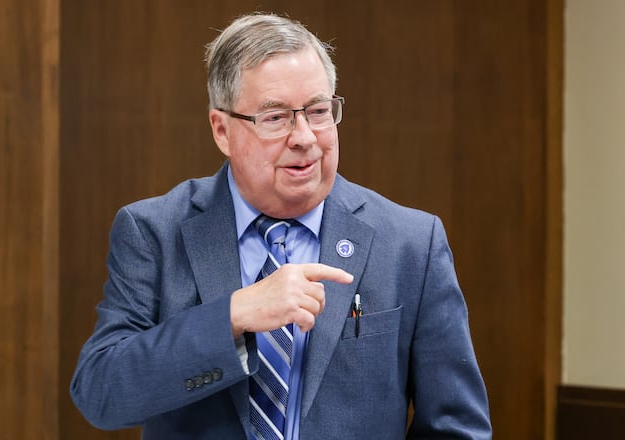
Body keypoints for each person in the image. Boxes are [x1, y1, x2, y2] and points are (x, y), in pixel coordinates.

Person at [70, 12, 492, 440]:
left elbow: (457, 428)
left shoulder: (411, 244)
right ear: (222, 130)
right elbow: (101, 392)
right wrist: (232, 316)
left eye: (318, 111)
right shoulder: (154, 232)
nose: (304, 137)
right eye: (275, 118)